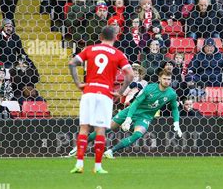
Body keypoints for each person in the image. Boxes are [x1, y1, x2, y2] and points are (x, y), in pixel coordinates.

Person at [70, 70, 182, 158]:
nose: (167, 81)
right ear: (159, 79)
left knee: (138, 134)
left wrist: (176, 123)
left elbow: (174, 108)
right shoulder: (149, 88)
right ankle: (80, 147)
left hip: (145, 116)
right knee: (106, 128)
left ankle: (110, 151)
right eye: (164, 79)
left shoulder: (171, 94)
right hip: (131, 111)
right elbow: (136, 103)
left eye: (169, 79)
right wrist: (128, 118)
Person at [68, 26, 134, 174]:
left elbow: (72, 63)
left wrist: (78, 83)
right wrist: (120, 92)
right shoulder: (118, 54)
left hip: (89, 91)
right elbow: (129, 75)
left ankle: (79, 164)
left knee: (84, 128)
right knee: (100, 129)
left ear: (100, 36)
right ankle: (97, 167)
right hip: (105, 93)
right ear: (115, 38)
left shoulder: (90, 49)